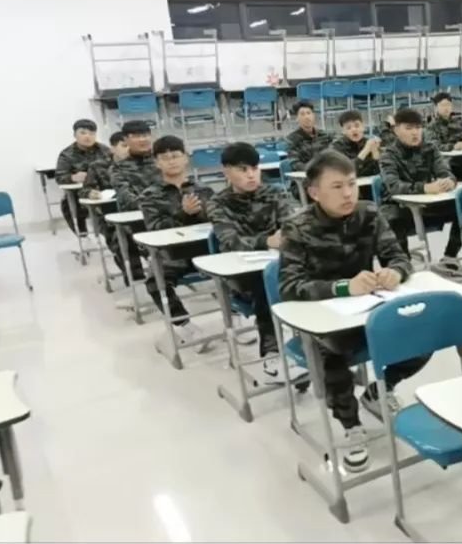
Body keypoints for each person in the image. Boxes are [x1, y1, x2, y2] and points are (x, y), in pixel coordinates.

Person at [279, 150, 425, 474]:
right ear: (314, 192)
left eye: (352, 184)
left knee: (422, 331)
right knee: (331, 352)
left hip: (367, 311)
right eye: (337, 187)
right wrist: (344, 287)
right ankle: (351, 425)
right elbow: (289, 286)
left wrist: (395, 272)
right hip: (321, 320)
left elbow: (398, 256)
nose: (348, 193)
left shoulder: (369, 213)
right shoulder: (297, 228)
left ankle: (379, 390)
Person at [207, 142, 304, 383]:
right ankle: (272, 356)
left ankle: (316, 350)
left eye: (255, 168)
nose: (251, 175)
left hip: (280, 265)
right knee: (266, 283)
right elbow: (230, 241)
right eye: (243, 169)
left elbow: (291, 225)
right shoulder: (218, 203)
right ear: (226, 171)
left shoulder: (274, 193)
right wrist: (267, 241)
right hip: (241, 276)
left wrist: (288, 237)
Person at [138, 135, 214, 346]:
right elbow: (155, 229)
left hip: (205, 249)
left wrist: (200, 214)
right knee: (155, 281)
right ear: (156, 163)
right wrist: (183, 214)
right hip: (173, 254)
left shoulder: (204, 190)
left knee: (235, 267)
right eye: (165, 158)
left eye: (175, 156)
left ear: (185, 158)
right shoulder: (150, 195)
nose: (171, 161)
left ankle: (234, 316)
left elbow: (217, 220)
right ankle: (184, 325)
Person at [378, 108, 462, 270]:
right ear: (396, 130)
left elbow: (445, 172)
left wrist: (449, 182)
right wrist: (424, 188)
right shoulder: (388, 154)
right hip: (399, 207)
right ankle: (402, 265)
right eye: (408, 128)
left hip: (426, 205)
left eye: (418, 128)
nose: (415, 132)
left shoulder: (430, 148)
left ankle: (450, 257)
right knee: (391, 217)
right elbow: (394, 186)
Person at [82, 132, 143, 281]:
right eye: (124, 146)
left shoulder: (142, 164)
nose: (128, 149)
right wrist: (91, 193)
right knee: (121, 236)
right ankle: (134, 273)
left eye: (131, 146)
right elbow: (84, 190)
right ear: (113, 148)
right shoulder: (98, 166)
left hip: (138, 211)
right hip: (109, 214)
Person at [55, 118, 111, 235]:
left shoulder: (104, 150)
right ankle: (82, 235)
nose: (87, 136)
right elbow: (59, 177)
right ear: (75, 135)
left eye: (92, 133)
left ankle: (109, 232)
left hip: (103, 190)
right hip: (79, 193)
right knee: (68, 205)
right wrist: (73, 177)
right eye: (83, 133)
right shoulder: (67, 154)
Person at [111, 120, 162, 211]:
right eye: (136, 136)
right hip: (136, 214)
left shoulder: (162, 160)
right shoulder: (118, 168)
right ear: (125, 139)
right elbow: (127, 200)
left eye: (145, 135)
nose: (142, 139)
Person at [328, 110, 382, 178]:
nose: (354, 129)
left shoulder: (369, 143)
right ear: (343, 131)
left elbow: (380, 172)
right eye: (349, 128)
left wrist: (375, 153)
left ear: (363, 127)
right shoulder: (337, 147)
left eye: (357, 126)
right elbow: (346, 171)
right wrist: (365, 150)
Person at [286, 101, 333, 171]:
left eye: (309, 113)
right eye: (302, 114)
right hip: (307, 174)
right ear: (297, 118)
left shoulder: (326, 135)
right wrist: (313, 170)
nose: (307, 117)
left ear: (313, 116)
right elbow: (294, 162)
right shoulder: (291, 139)